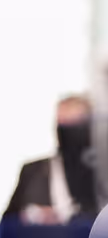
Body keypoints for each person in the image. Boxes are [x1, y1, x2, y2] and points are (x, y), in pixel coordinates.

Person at [3, 95, 96, 225]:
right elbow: (8, 222)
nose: (65, 134)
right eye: (61, 125)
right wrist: (32, 216)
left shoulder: (102, 174)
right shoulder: (32, 171)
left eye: (73, 127)